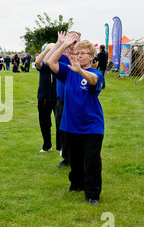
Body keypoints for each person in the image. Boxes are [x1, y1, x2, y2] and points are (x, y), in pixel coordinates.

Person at [48, 34, 104, 206]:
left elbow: (94, 81)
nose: (80, 56)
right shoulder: (69, 72)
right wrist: (63, 45)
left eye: (84, 53)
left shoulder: (95, 73)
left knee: (91, 160)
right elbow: (51, 62)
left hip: (92, 126)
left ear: (92, 56)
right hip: (71, 124)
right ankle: (76, 185)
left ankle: (92, 193)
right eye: (78, 53)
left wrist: (80, 70)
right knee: (76, 158)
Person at [44, 31, 81, 168]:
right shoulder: (62, 55)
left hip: (76, 102)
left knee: (77, 130)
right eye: (69, 39)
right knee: (63, 129)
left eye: (74, 41)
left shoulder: (79, 57)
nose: (71, 43)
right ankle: (66, 158)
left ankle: (77, 157)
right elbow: (47, 60)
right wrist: (59, 44)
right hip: (62, 100)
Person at [35, 44, 57, 153]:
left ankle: (62, 147)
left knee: (60, 123)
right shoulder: (43, 65)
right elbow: (37, 62)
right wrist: (46, 50)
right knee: (44, 124)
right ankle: (47, 145)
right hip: (44, 97)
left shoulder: (58, 64)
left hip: (58, 98)